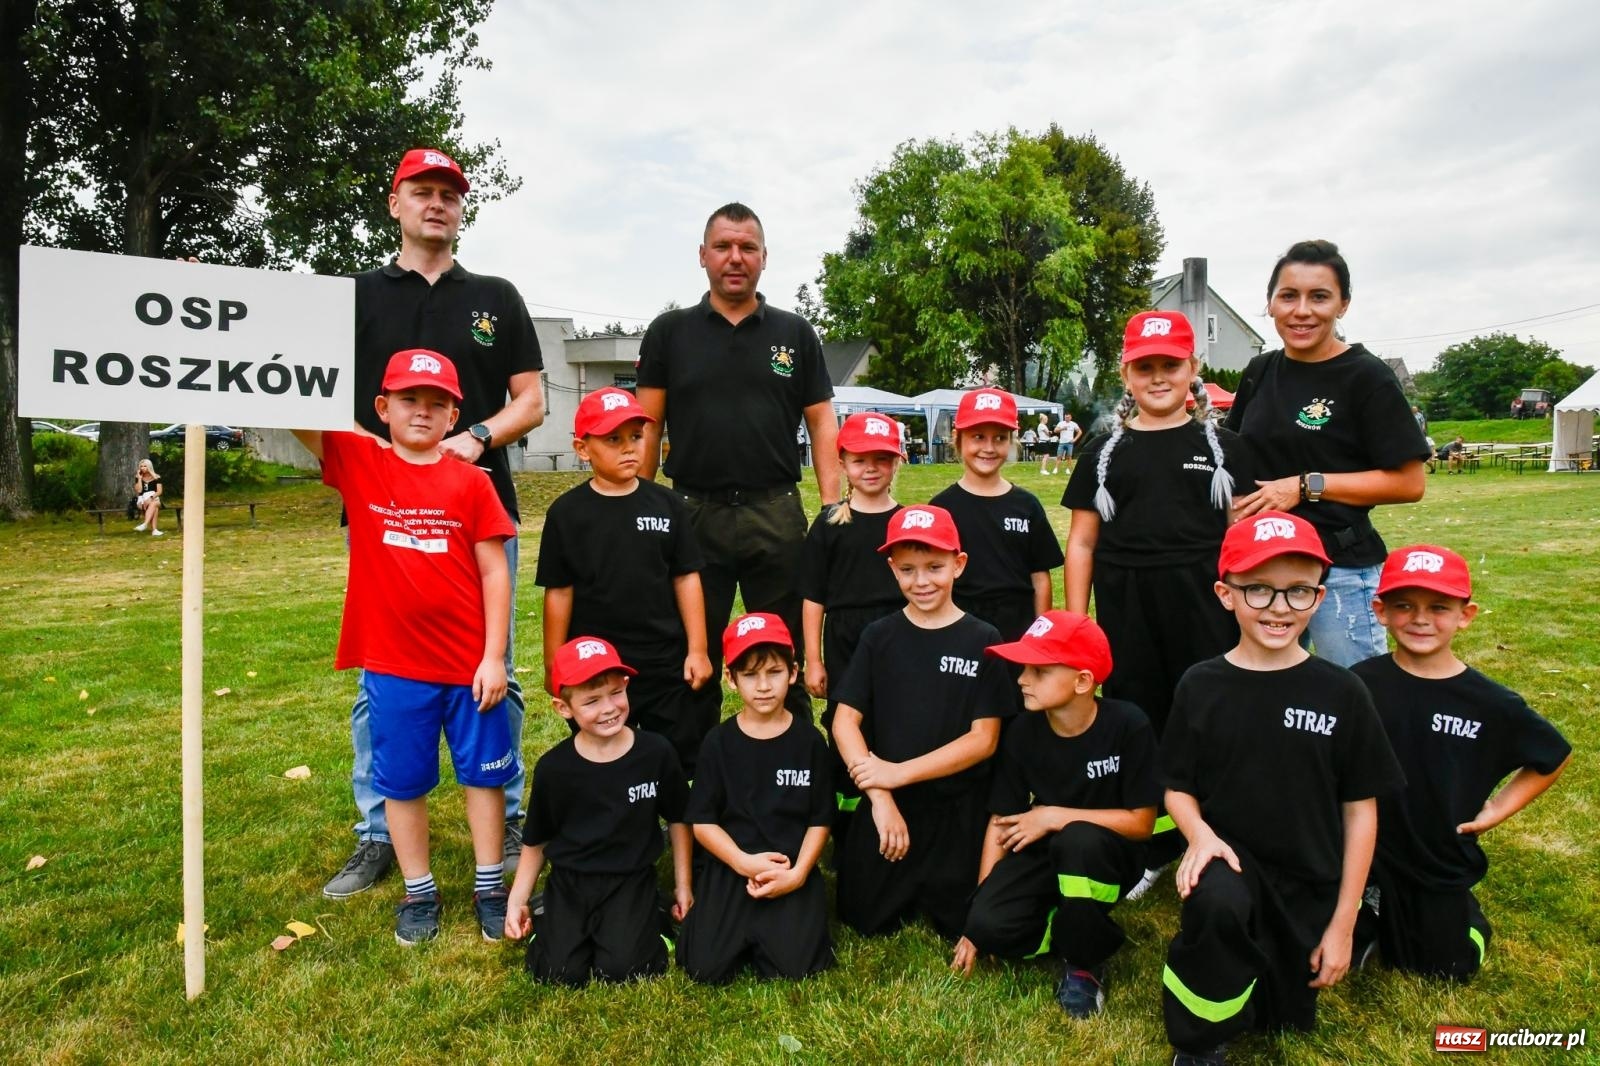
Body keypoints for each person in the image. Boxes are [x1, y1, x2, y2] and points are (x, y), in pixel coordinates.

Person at [325, 147, 546, 901]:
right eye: (421, 192)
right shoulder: (354, 295)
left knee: (495, 673)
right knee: (380, 679)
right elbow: (304, 385)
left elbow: (531, 402)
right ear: (395, 203)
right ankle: (377, 832)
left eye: (449, 194)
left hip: (479, 511)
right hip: (384, 511)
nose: (436, 204)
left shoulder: (495, 295)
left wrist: (474, 437)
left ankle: (507, 817)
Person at [1159, 510, 1404, 1065]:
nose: (1278, 609)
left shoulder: (1343, 692)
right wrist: (1198, 837)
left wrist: (1341, 926)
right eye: (1259, 591)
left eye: (1297, 592)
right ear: (1226, 594)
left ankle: (1359, 930)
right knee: (1217, 910)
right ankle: (1198, 1042)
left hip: (1307, 877)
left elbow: (1361, 810)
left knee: (1283, 1016)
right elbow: (1176, 785)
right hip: (1231, 863)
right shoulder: (1200, 685)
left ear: (1319, 597)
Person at [292, 349, 519, 946]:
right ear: (382, 407)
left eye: (438, 402)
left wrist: (494, 655)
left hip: (471, 668)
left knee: (484, 777)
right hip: (395, 668)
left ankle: (490, 884)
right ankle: (419, 892)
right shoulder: (360, 460)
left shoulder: (472, 482)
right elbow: (294, 405)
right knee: (402, 783)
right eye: (410, 399)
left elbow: (496, 573)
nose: (424, 411)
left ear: (454, 416)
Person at [1062, 310, 1253, 892]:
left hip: (1205, 605)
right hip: (1129, 607)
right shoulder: (1101, 451)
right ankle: (1154, 844)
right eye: (1145, 367)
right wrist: (1076, 624)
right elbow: (1081, 542)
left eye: (1170, 364)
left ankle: (1222, 833)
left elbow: (1243, 542)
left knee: (1209, 714)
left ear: (1192, 368)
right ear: (1126, 374)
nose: (1158, 376)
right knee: (1142, 719)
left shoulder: (1227, 449)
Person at [637, 202, 840, 721]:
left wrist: (833, 504)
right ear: (702, 255)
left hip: (774, 512)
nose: (735, 258)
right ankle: (697, 785)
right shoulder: (670, 332)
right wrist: (635, 502)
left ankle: (794, 773)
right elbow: (646, 424)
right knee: (692, 657)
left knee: (785, 651)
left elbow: (821, 421)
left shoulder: (795, 334)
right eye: (723, 247)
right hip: (691, 512)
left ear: (764, 258)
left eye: (747, 247)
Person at [1352, 545, 1571, 980]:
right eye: (1403, 606)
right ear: (1380, 610)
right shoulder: (1360, 683)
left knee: (1444, 968)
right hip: (1364, 848)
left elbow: (1553, 755)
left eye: (1438, 607)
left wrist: (1496, 810)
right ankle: (1370, 906)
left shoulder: (1492, 704)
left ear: (1465, 615)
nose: (1419, 619)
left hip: (1435, 857)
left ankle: (1464, 918)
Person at [1226, 239, 1429, 668]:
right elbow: (1235, 453)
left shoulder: (1366, 377)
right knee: (1269, 694)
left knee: (1354, 694)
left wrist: (1304, 487)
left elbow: (1410, 483)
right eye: (1288, 296)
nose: (1302, 310)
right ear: (1270, 304)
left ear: (1343, 305)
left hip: (1339, 572)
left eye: (1319, 297)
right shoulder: (1260, 371)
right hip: (1260, 569)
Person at [951, 611, 1158, 1020]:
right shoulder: (1023, 732)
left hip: (1108, 854)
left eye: (1039, 671)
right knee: (990, 926)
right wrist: (977, 918)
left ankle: (1084, 963)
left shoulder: (1128, 724)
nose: (1022, 679)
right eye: (1024, 667)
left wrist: (1053, 815)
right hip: (1049, 849)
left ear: (1083, 681)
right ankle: (1067, 926)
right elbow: (1002, 820)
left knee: (1077, 840)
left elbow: (1142, 823)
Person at [831, 504, 1012, 938]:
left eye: (935, 567)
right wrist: (880, 797)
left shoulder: (983, 639)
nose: (922, 581)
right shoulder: (879, 636)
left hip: (956, 807)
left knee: (960, 915)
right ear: (893, 570)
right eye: (908, 570)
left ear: (958, 564)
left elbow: (984, 740)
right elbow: (843, 723)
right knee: (861, 915)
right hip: (893, 804)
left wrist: (898, 774)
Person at [536, 387, 717, 776]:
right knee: (606, 750)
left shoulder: (668, 506)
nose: (629, 447)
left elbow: (687, 578)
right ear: (583, 449)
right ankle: (618, 821)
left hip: (663, 659)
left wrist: (698, 650)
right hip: (597, 664)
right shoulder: (567, 514)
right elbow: (559, 591)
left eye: (636, 436)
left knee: (679, 750)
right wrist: (554, 661)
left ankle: (680, 824)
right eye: (613, 439)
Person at [504, 636, 693, 984]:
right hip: (571, 881)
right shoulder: (554, 769)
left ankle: (656, 914)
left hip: (631, 878)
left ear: (626, 687)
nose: (608, 708)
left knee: (624, 970)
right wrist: (518, 900)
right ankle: (552, 917)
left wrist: (683, 885)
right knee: (558, 973)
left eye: (615, 693)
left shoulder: (656, 753)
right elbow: (537, 840)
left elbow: (680, 819)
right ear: (564, 708)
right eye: (591, 700)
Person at [678, 614, 835, 983]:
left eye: (774, 672)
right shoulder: (717, 743)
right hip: (733, 862)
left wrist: (797, 875)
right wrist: (743, 862)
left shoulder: (809, 742)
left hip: (788, 865)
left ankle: (786, 919)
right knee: (705, 967)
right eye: (749, 675)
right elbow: (703, 823)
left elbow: (820, 819)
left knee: (796, 966)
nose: (763, 686)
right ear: (730, 679)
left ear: (793, 673)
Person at [800, 412, 906, 839]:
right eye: (861, 459)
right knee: (845, 720)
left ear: (896, 462)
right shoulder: (828, 524)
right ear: (841, 461)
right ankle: (846, 814)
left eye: (882, 459)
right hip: (845, 634)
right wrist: (812, 659)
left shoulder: (906, 522)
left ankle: (896, 800)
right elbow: (813, 598)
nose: (871, 468)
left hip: (898, 631)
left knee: (894, 719)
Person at [931, 388, 1063, 646]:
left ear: (1012, 442)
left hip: (1018, 628)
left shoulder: (1027, 505)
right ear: (958, 439)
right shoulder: (942, 508)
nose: (989, 448)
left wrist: (1039, 637)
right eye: (978, 437)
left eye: (1000, 438)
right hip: (960, 627)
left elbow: (1040, 576)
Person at [132, 458, 164, 537]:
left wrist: (150, 498)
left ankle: (145, 524)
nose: (143, 468)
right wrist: (139, 479)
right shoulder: (138, 477)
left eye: (145, 466)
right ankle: (154, 530)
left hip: (154, 497)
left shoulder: (157, 477)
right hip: (142, 498)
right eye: (141, 466)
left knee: (154, 503)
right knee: (155, 506)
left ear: (149, 467)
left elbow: (159, 491)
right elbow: (139, 490)